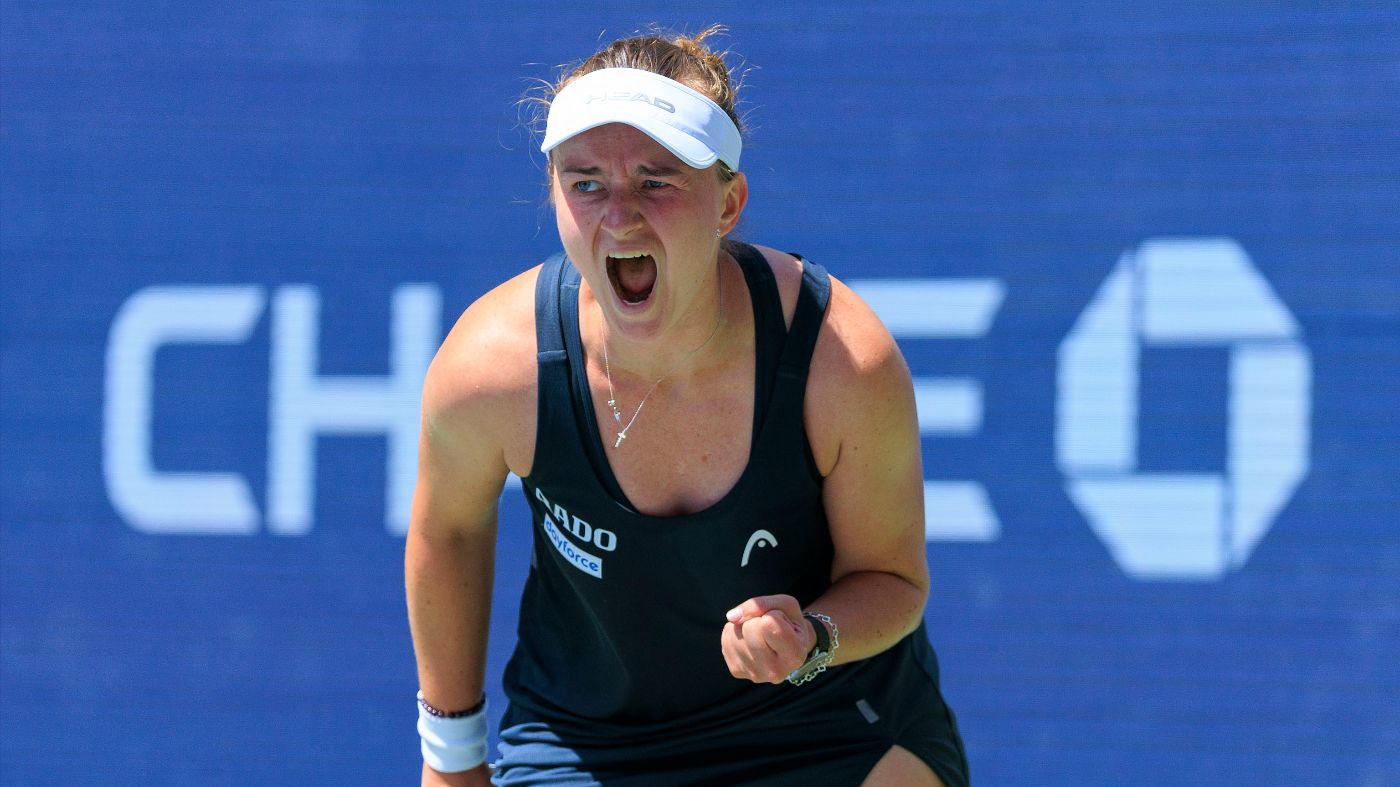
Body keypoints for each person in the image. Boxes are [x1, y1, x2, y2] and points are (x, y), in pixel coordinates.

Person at [405, 26, 969, 787]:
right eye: (586, 184)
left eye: (656, 181)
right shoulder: (491, 368)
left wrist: (811, 636)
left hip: (830, 721)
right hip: (584, 742)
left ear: (729, 203)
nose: (620, 217)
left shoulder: (842, 361)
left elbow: (894, 582)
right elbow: (448, 530)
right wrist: (450, 757)